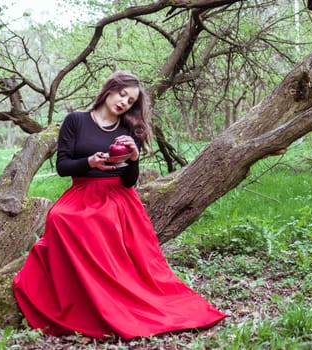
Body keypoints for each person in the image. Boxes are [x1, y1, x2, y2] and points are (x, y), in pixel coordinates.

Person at [12, 71, 226, 340]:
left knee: (100, 221)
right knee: (61, 217)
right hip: (81, 191)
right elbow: (63, 166)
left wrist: (134, 157)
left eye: (131, 100)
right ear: (109, 90)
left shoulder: (129, 130)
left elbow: (128, 182)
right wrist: (90, 162)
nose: (124, 102)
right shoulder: (75, 120)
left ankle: (113, 297)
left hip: (116, 194)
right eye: (122, 94)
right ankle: (81, 296)